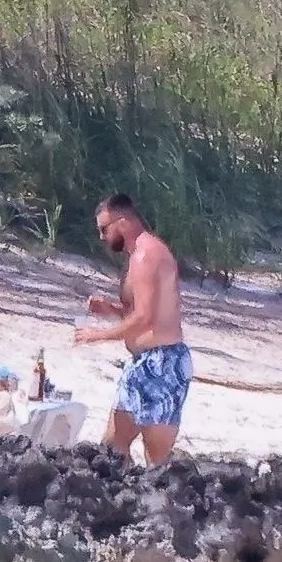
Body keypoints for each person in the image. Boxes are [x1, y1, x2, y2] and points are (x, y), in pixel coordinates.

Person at [74, 193, 191, 465]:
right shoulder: (137, 255)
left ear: (123, 222)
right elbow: (146, 312)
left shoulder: (146, 255)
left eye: (104, 229)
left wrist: (97, 335)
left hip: (162, 364)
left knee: (156, 460)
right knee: (112, 448)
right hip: (141, 364)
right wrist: (112, 310)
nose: (102, 237)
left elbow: (145, 319)